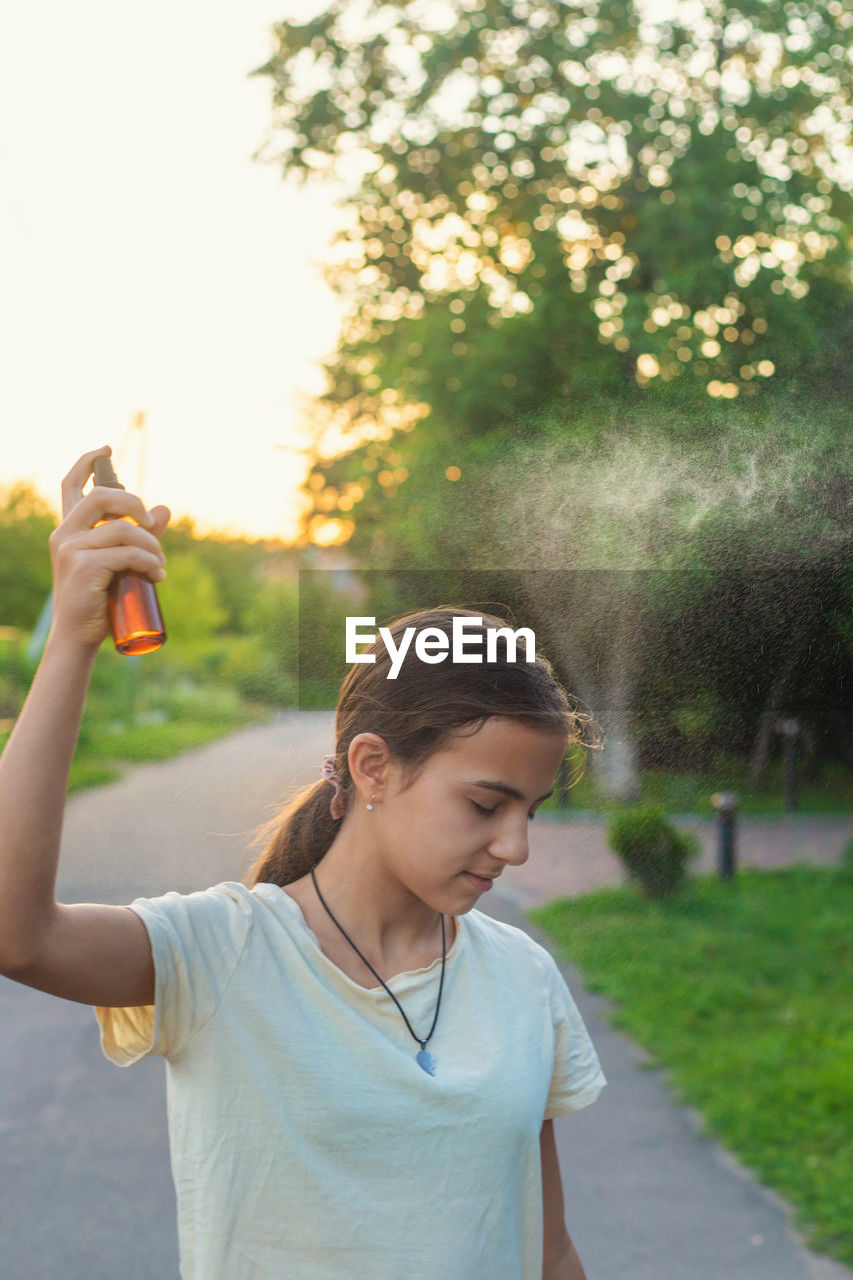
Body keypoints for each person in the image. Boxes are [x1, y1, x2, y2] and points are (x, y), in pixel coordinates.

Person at [0, 446, 607, 1280]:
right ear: (371, 768)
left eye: (530, 812)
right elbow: (16, 933)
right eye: (483, 805)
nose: (515, 846)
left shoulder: (524, 979)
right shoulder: (222, 952)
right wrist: (72, 641)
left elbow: (550, 1250)